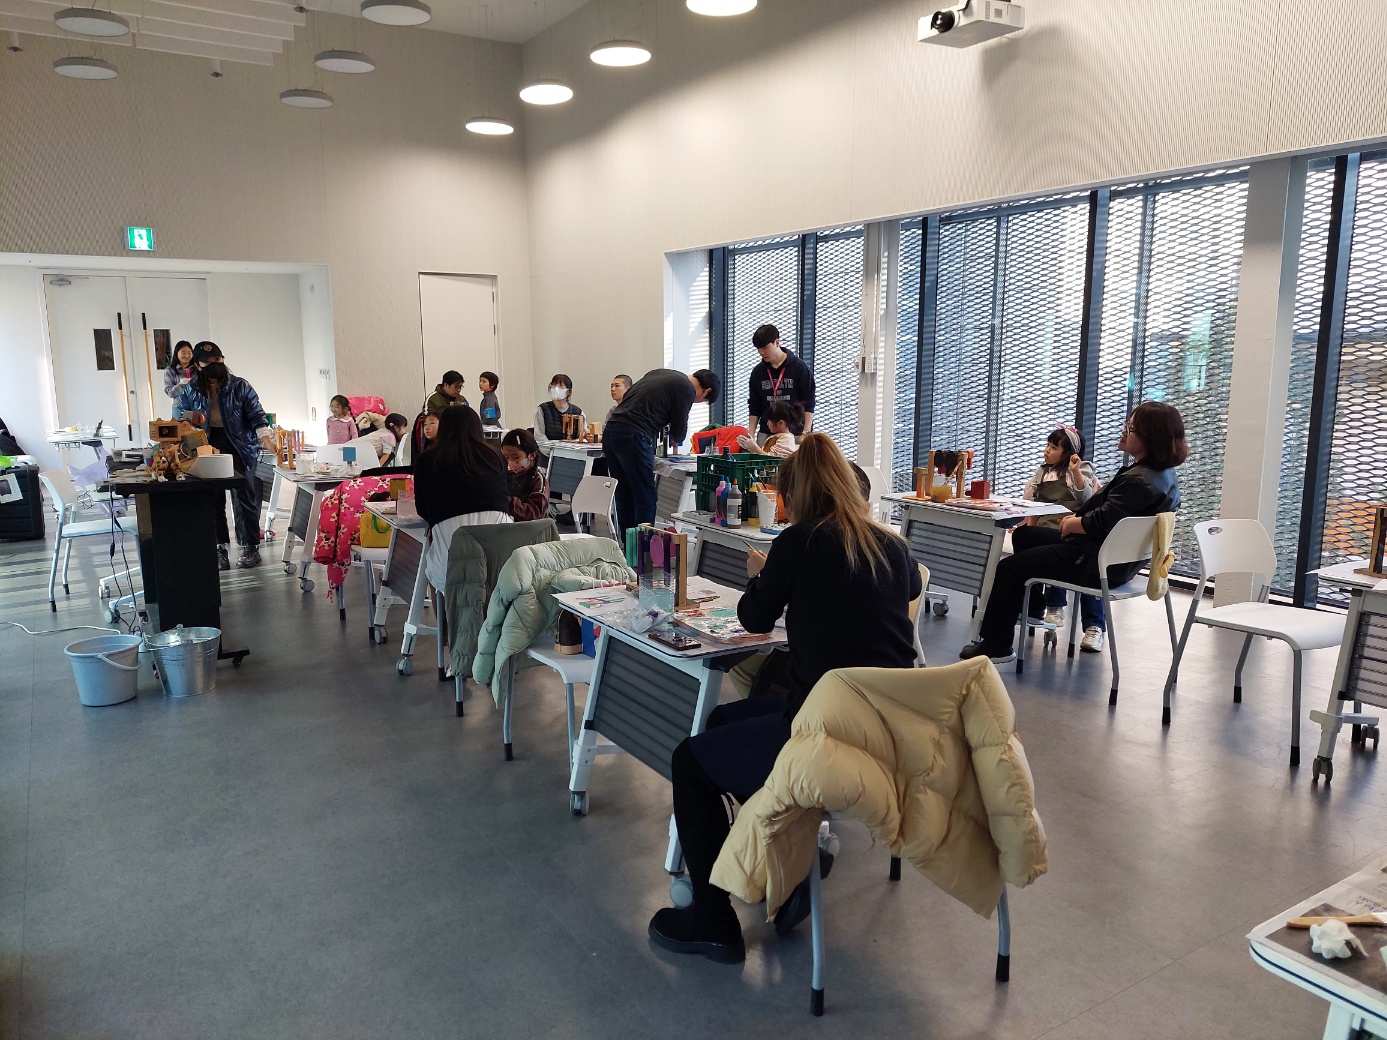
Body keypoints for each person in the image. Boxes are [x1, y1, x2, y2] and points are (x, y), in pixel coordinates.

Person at [648, 434, 922, 963]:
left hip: (825, 730)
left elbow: (753, 619)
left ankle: (713, 921)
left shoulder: (799, 542)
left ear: (795, 494)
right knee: (722, 722)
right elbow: (908, 589)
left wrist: (762, 577)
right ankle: (788, 864)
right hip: (886, 727)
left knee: (689, 761)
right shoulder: (888, 543)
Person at [961, 401, 1188, 663]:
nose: (1124, 431)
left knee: (1008, 568)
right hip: (1117, 561)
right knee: (1025, 536)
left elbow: (1102, 521)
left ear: (1150, 437)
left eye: (1131, 428)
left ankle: (996, 645)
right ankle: (1033, 607)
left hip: (1093, 560)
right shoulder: (1163, 476)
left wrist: (1072, 523)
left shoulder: (1138, 480)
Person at [177, 341, 275, 570]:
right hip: (207, 445)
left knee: (244, 496)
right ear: (197, 365)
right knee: (212, 499)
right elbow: (181, 418)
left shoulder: (240, 386)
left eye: (218, 359)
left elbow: (257, 415)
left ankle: (251, 547)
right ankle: (219, 548)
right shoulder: (191, 389)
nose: (214, 364)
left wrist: (267, 439)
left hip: (239, 445)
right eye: (207, 361)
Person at [603, 368, 720, 537]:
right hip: (633, 434)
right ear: (706, 391)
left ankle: (629, 545)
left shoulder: (660, 373)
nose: (696, 401)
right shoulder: (686, 387)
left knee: (624, 493)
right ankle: (644, 546)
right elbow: (679, 428)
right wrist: (676, 438)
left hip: (612, 431)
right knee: (645, 495)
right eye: (702, 401)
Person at [1022, 425, 1106, 652]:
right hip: (1047, 528)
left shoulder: (1083, 469)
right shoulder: (1042, 472)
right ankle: (1050, 606)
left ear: (1070, 453)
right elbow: (1036, 505)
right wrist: (1029, 531)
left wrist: (1075, 471)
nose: (1046, 451)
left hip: (1075, 531)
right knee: (1035, 551)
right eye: (1047, 445)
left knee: (1089, 571)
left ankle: (1093, 626)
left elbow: (1086, 498)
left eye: (1053, 447)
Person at [413, 405, 511, 592]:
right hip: (502, 558)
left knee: (435, 567)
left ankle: (444, 612)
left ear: (443, 429)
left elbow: (422, 509)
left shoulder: (426, 461)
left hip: (452, 563)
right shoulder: (496, 457)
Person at [746, 324, 815, 441]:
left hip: (795, 432)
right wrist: (751, 434)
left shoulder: (799, 367)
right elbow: (754, 405)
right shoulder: (758, 372)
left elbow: (809, 401)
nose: (761, 352)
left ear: (777, 342)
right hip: (767, 432)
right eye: (758, 349)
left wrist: (806, 432)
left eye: (765, 347)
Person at [501, 429, 550, 521]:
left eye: (516, 457)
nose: (510, 462)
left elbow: (534, 512)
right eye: (506, 458)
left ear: (531, 455)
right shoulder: (508, 475)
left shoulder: (538, 480)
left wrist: (507, 502)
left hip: (529, 527)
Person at [736, 400, 804, 457]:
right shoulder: (778, 436)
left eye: (769, 420)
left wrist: (754, 447)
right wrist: (749, 446)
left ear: (780, 423)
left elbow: (772, 460)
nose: (767, 423)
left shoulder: (787, 438)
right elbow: (764, 455)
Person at [534, 374, 583, 441]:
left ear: (569, 392)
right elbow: (539, 436)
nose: (556, 388)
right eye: (554, 385)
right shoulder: (542, 409)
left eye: (561, 385)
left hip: (573, 447)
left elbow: (582, 436)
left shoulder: (578, 412)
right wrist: (552, 447)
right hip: (549, 447)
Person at [163, 340, 196, 419]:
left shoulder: (197, 369)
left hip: (196, 405)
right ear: (176, 353)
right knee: (180, 427)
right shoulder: (170, 370)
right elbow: (170, 393)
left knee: (198, 427)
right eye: (183, 353)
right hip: (179, 407)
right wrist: (180, 385)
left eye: (189, 353)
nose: (187, 356)